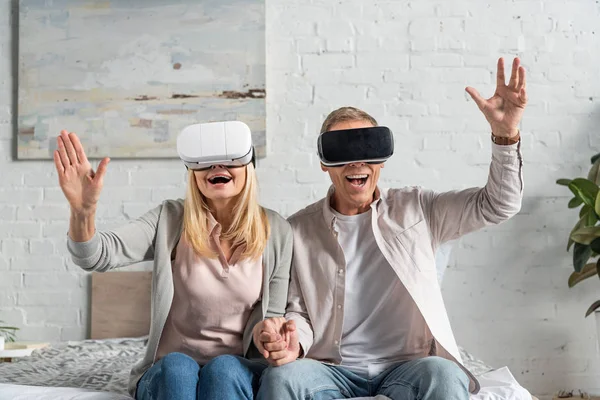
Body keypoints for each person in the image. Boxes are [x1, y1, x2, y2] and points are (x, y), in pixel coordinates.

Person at [255, 57, 526, 400]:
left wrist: (505, 137)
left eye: (368, 149)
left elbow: (497, 205)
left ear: (382, 159)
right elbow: (299, 312)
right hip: (332, 370)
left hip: (407, 367)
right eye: (342, 152)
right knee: (281, 380)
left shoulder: (419, 208)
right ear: (325, 163)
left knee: (443, 374)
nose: (357, 162)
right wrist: (294, 340)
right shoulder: (296, 230)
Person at [54, 125, 293, 400]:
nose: (216, 166)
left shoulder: (276, 231)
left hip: (237, 368)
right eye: (204, 161)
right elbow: (96, 255)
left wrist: (273, 337)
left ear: (249, 165)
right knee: (178, 368)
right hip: (168, 371)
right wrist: (83, 212)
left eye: (228, 159)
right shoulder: (169, 219)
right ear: (192, 172)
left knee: (224, 369)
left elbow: (272, 315)